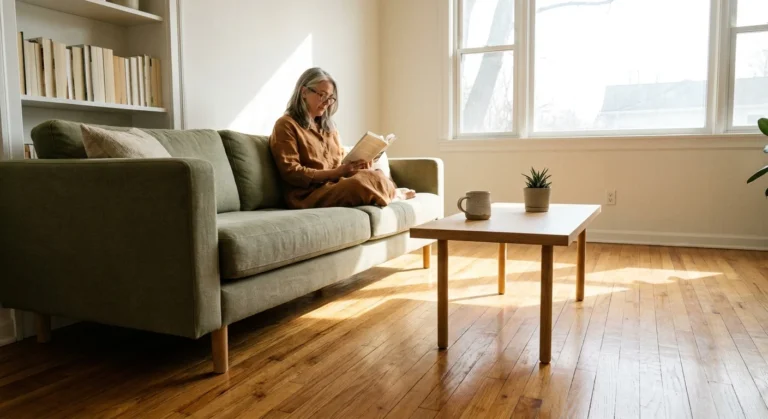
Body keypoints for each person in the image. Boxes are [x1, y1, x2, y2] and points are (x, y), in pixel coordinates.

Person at [269, 67, 415, 209]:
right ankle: (394, 195)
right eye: (322, 95)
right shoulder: (286, 125)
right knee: (358, 184)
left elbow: (339, 164)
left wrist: (357, 166)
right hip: (307, 194)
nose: (327, 102)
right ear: (304, 92)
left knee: (377, 174)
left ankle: (388, 193)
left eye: (330, 98)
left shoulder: (329, 128)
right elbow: (292, 173)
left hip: (335, 185)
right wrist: (337, 173)